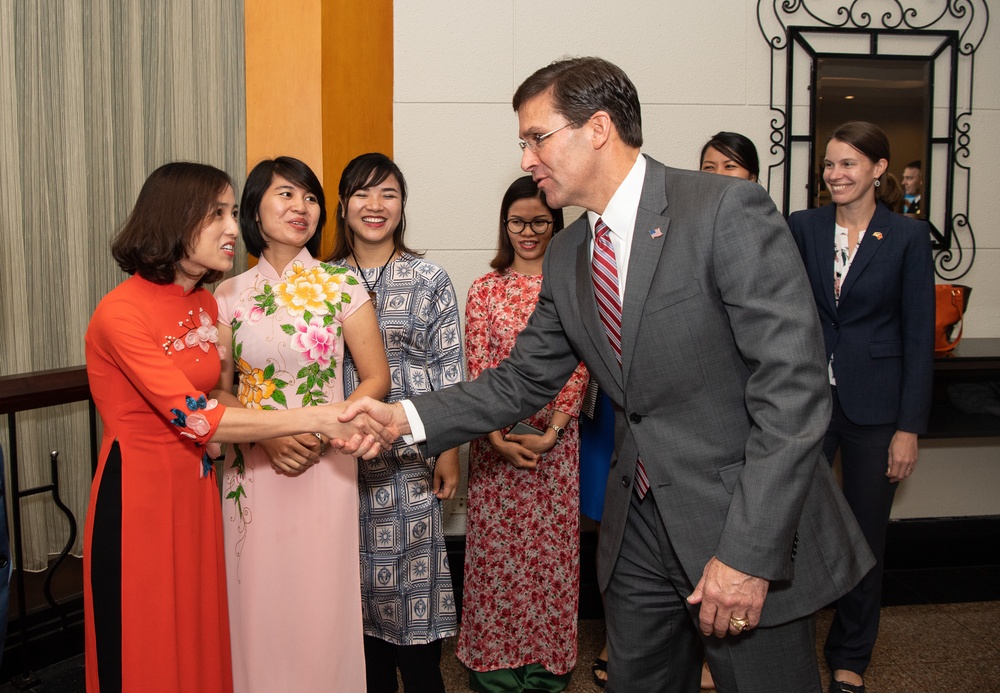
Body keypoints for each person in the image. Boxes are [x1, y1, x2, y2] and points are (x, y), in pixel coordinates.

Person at [339, 56, 875, 693]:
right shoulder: (569, 254)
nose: (525, 159)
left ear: (597, 128)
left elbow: (794, 393)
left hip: (739, 520)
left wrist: (749, 552)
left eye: (535, 138)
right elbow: (520, 382)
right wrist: (405, 416)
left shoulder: (724, 209)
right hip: (638, 529)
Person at [84, 162, 381, 693]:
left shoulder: (200, 303)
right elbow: (196, 411)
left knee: (203, 632)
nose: (229, 227)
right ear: (175, 219)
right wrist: (310, 418)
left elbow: (213, 393)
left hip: (199, 484)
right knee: (148, 639)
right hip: (143, 493)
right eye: (216, 213)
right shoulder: (121, 312)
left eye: (229, 212)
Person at [212, 156, 390, 692]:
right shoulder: (226, 294)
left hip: (325, 463)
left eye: (310, 198)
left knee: (320, 598)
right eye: (286, 195)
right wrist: (269, 436)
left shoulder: (342, 285)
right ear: (254, 211)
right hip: (253, 468)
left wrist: (316, 434)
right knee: (256, 596)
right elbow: (217, 389)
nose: (302, 207)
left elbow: (375, 378)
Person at [788, 122, 935, 693]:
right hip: (808, 402)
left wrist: (909, 428)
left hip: (877, 407)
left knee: (866, 535)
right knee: (790, 525)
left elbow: (919, 336)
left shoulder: (905, 237)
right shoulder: (804, 227)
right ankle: (783, 642)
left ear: (878, 169)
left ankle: (851, 654)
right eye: (829, 164)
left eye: (848, 164)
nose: (835, 175)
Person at [326, 153, 462, 693]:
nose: (375, 205)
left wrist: (448, 449)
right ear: (342, 205)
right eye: (362, 193)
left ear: (402, 205)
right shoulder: (324, 280)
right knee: (354, 593)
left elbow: (449, 367)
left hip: (410, 458)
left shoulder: (428, 278)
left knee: (413, 589)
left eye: (388, 194)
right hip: (337, 463)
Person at [459, 176, 588, 692]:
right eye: (518, 222)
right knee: (496, 563)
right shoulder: (485, 289)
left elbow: (582, 363)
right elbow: (479, 368)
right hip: (494, 447)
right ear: (504, 225)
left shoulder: (575, 284)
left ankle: (545, 669)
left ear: (555, 223)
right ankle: (493, 669)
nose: (528, 232)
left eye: (539, 221)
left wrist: (554, 430)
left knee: (551, 562)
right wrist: (494, 436)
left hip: (557, 447)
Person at [695, 129, 763, 693]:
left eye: (730, 167)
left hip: (741, 450)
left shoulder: (752, 226)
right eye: (708, 167)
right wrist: (408, 420)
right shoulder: (678, 233)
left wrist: (750, 553)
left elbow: (786, 380)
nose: (717, 178)